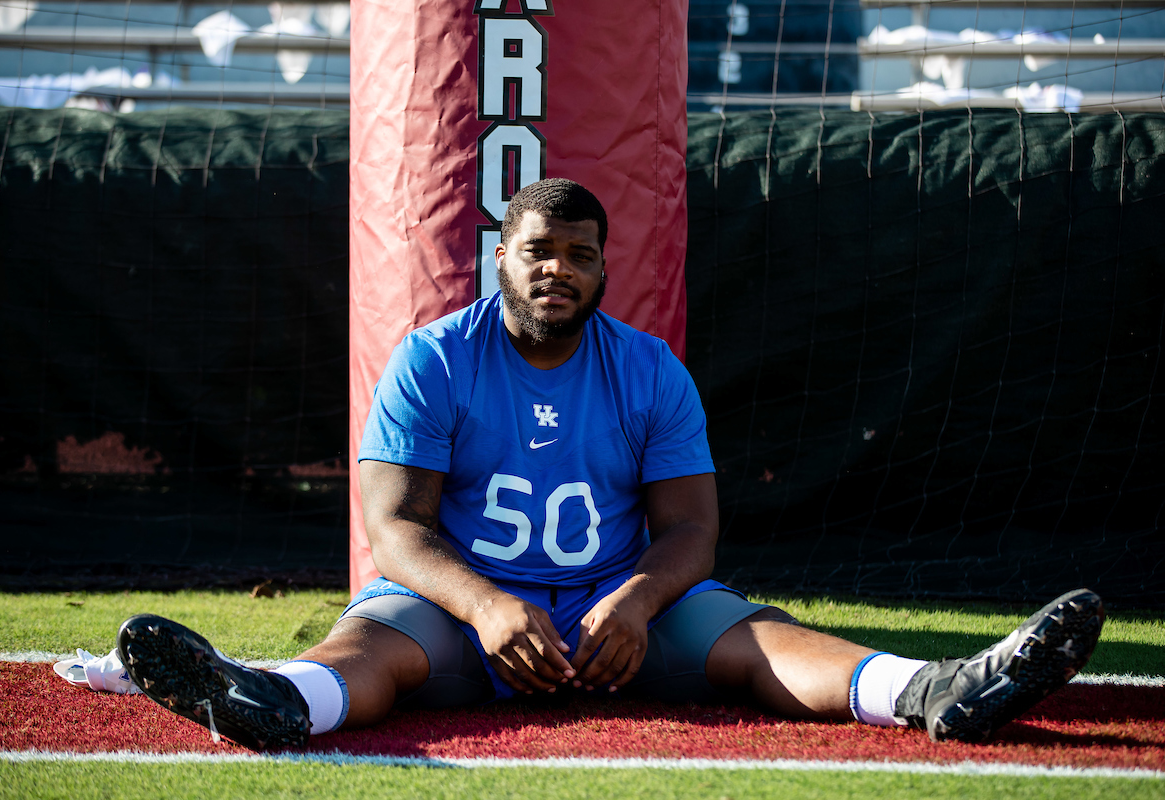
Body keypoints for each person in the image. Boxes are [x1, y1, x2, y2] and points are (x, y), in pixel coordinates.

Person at [116, 179, 1105, 752]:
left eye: (582, 254)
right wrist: (491, 606)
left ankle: (936, 688)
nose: (561, 270)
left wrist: (633, 603)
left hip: (613, 615)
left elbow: (691, 529)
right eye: (540, 251)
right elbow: (397, 529)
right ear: (500, 257)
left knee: (761, 638)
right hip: (471, 610)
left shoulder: (647, 367)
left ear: (602, 267)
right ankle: (270, 699)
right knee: (370, 651)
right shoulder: (434, 357)